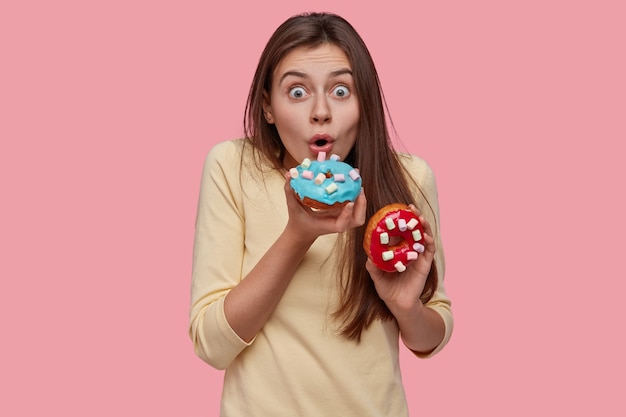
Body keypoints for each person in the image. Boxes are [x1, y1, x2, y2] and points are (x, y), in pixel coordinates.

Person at [189, 12, 453, 416]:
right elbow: (211, 345)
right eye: (297, 92)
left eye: (342, 91)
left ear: (365, 101)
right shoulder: (232, 166)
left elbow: (432, 335)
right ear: (268, 106)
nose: (321, 112)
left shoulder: (410, 177)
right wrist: (298, 235)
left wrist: (405, 307)